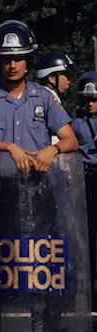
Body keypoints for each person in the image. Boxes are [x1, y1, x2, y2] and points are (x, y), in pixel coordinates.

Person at [0, 20, 77, 332]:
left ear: (29, 60)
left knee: (43, 271)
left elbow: (71, 138)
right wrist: (8, 146)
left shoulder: (45, 98)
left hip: (38, 193)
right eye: (5, 58)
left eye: (19, 58)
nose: (12, 65)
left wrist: (52, 151)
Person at [71, 72, 97, 309]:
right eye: (87, 99)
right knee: (85, 234)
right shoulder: (75, 124)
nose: (90, 103)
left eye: (94, 99)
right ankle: (88, 283)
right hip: (85, 179)